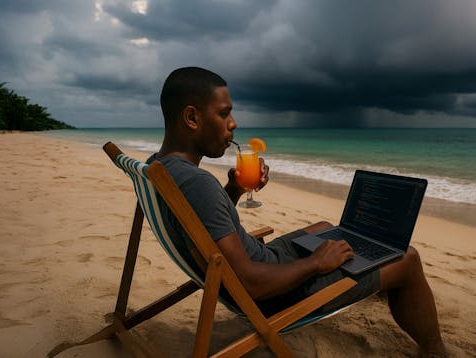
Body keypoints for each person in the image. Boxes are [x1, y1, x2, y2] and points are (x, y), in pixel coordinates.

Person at [151, 66, 448, 357]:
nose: (233, 123)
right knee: (407, 258)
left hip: (261, 262)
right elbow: (251, 284)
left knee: (324, 226)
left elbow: (204, 225)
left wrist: (236, 189)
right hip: (272, 291)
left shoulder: (162, 166)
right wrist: (316, 263)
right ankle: (435, 350)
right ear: (192, 118)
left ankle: (377, 277)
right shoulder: (197, 183)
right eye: (224, 113)